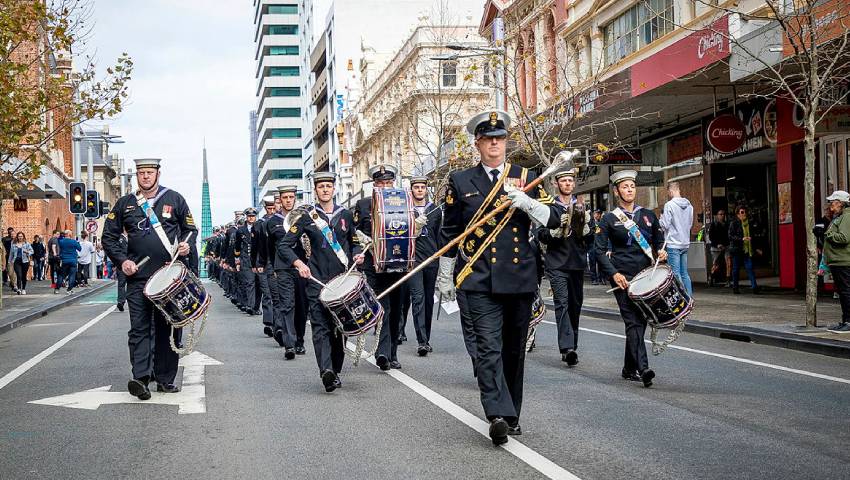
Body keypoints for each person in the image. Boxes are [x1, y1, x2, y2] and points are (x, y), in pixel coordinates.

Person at [437, 110, 563, 445]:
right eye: (488, 138)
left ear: (506, 141)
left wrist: (527, 204)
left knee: (512, 350)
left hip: (520, 277)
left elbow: (555, 220)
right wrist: (446, 275)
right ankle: (496, 413)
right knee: (487, 348)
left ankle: (512, 414)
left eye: (500, 138)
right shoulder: (461, 181)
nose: (495, 143)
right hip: (478, 279)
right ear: (477, 143)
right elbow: (450, 232)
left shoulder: (527, 176)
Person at [102, 158, 198, 401]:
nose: (145, 176)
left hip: (168, 278)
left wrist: (186, 245)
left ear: (158, 173)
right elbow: (109, 237)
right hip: (138, 278)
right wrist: (123, 260)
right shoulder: (126, 204)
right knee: (139, 328)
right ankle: (141, 378)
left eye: (149, 172)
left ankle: (165, 379)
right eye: (141, 173)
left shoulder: (174, 199)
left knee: (168, 329)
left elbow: (190, 229)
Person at [282, 172, 361, 391]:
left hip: (341, 282)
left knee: (340, 330)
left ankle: (335, 370)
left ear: (333, 189)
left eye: (328, 186)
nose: (325, 189)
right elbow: (285, 245)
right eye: (321, 187)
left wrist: (357, 254)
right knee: (320, 328)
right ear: (315, 190)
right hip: (316, 281)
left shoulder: (345, 214)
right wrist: (299, 264)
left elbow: (354, 242)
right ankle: (325, 371)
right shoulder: (308, 217)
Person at [594, 170, 667, 388]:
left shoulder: (647, 215)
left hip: (645, 276)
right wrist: (613, 274)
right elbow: (598, 251)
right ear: (617, 191)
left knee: (640, 321)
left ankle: (628, 368)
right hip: (621, 276)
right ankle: (643, 368)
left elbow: (660, 241)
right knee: (632, 321)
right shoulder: (608, 219)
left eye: (632, 187)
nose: (629, 190)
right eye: (625, 187)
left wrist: (662, 253)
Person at [353, 164, 409, 371]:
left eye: (388, 183)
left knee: (397, 310)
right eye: (380, 183)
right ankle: (382, 352)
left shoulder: (403, 202)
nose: (385, 187)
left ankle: (392, 352)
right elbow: (355, 235)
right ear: (374, 185)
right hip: (373, 265)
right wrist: (359, 248)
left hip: (399, 264)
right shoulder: (364, 204)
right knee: (383, 307)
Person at [536, 168, 591, 366]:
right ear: (557, 184)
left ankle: (572, 346)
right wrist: (556, 230)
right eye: (564, 181)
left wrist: (586, 227)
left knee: (576, 305)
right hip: (557, 263)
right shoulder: (550, 207)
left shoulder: (581, 207)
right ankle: (567, 348)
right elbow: (540, 234)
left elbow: (590, 239)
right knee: (563, 303)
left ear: (574, 184)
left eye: (570, 181)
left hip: (576, 263)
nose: (567, 184)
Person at [270, 185, 309, 358]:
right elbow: (269, 248)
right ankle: (289, 344)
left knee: (302, 304)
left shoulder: (304, 217)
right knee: (287, 305)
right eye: (285, 197)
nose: (288, 200)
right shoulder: (273, 221)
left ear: (295, 198)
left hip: (302, 266)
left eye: (291, 197)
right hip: (283, 267)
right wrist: (272, 267)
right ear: (280, 199)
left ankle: (299, 340)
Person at [408, 175, 441, 356]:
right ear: (411, 189)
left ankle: (426, 337)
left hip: (431, 260)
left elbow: (439, 236)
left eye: (422, 187)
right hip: (413, 260)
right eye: (416, 187)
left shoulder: (435, 210)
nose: (419, 190)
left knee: (428, 300)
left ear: (426, 189)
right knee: (418, 298)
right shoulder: (406, 210)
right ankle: (421, 341)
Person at [659, 181, 694, 296]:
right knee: (685, 273)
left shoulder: (669, 205)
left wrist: (660, 219)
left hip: (673, 243)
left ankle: (682, 298)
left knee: (676, 273)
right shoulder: (689, 206)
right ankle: (689, 297)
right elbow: (690, 224)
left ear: (671, 191)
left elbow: (665, 225)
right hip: (685, 242)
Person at [823, 191, 850, 333]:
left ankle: (848, 322)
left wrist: (827, 233)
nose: (831, 205)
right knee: (843, 291)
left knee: (845, 291)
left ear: (840, 203)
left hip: (843, 261)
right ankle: (845, 320)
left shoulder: (846, 217)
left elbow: (844, 237)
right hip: (838, 261)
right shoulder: (840, 216)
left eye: (833, 202)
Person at [252, 196, 278, 339]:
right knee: (267, 293)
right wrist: (256, 264)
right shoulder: (260, 224)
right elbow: (256, 246)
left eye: (274, 208)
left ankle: (278, 324)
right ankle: (269, 322)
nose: (272, 211)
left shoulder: (282, 221)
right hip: (265, 261)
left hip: (279, 262)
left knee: (279, 296)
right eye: (269, 209)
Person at [728, 205, 760, 294]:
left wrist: (756, 248)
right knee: (736, 269)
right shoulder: (734, 223)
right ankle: (735, 287)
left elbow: (753, 236)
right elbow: (730, 236)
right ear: (738, 214)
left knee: (750, 268)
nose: (744, 214)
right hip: (737, 249)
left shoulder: (749, 224)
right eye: (742, 212)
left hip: (747, 250)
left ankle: (754, 287)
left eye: (745, 212)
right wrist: (741, 239)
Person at [235, 207, 260, 315]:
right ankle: (250, 306)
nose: (251, 218)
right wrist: (237, 261)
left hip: (259, 259)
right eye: (249, 216)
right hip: (246, 259)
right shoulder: (241, 230)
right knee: (250, 283)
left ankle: (256, 306)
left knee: (259, 285)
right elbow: (237, 247)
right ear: (246, 217)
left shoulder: (260, 227)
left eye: (253, 216)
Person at [708, 209, 730, 286]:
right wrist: (717, 244)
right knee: (716, 265)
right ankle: (711, 277)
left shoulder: (727, 224)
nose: (722, 216)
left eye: (723, 214)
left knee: (728, 262)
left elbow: (729, 235)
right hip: (716, 247)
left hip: (726, 246)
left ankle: (728, 280)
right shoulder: (714, 224)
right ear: (717, 216)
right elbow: (711, 237)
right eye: (720, 214)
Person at [57, 229, 81, 294]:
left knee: (61, 275)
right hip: (73, 260)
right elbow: (79, 248)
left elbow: (59, 242)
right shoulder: (74, 241)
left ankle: (57, 289)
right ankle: (69, 289)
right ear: (70, 235)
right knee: (72, 275)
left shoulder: (61, 241)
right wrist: (77, 242)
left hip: (64, 260)